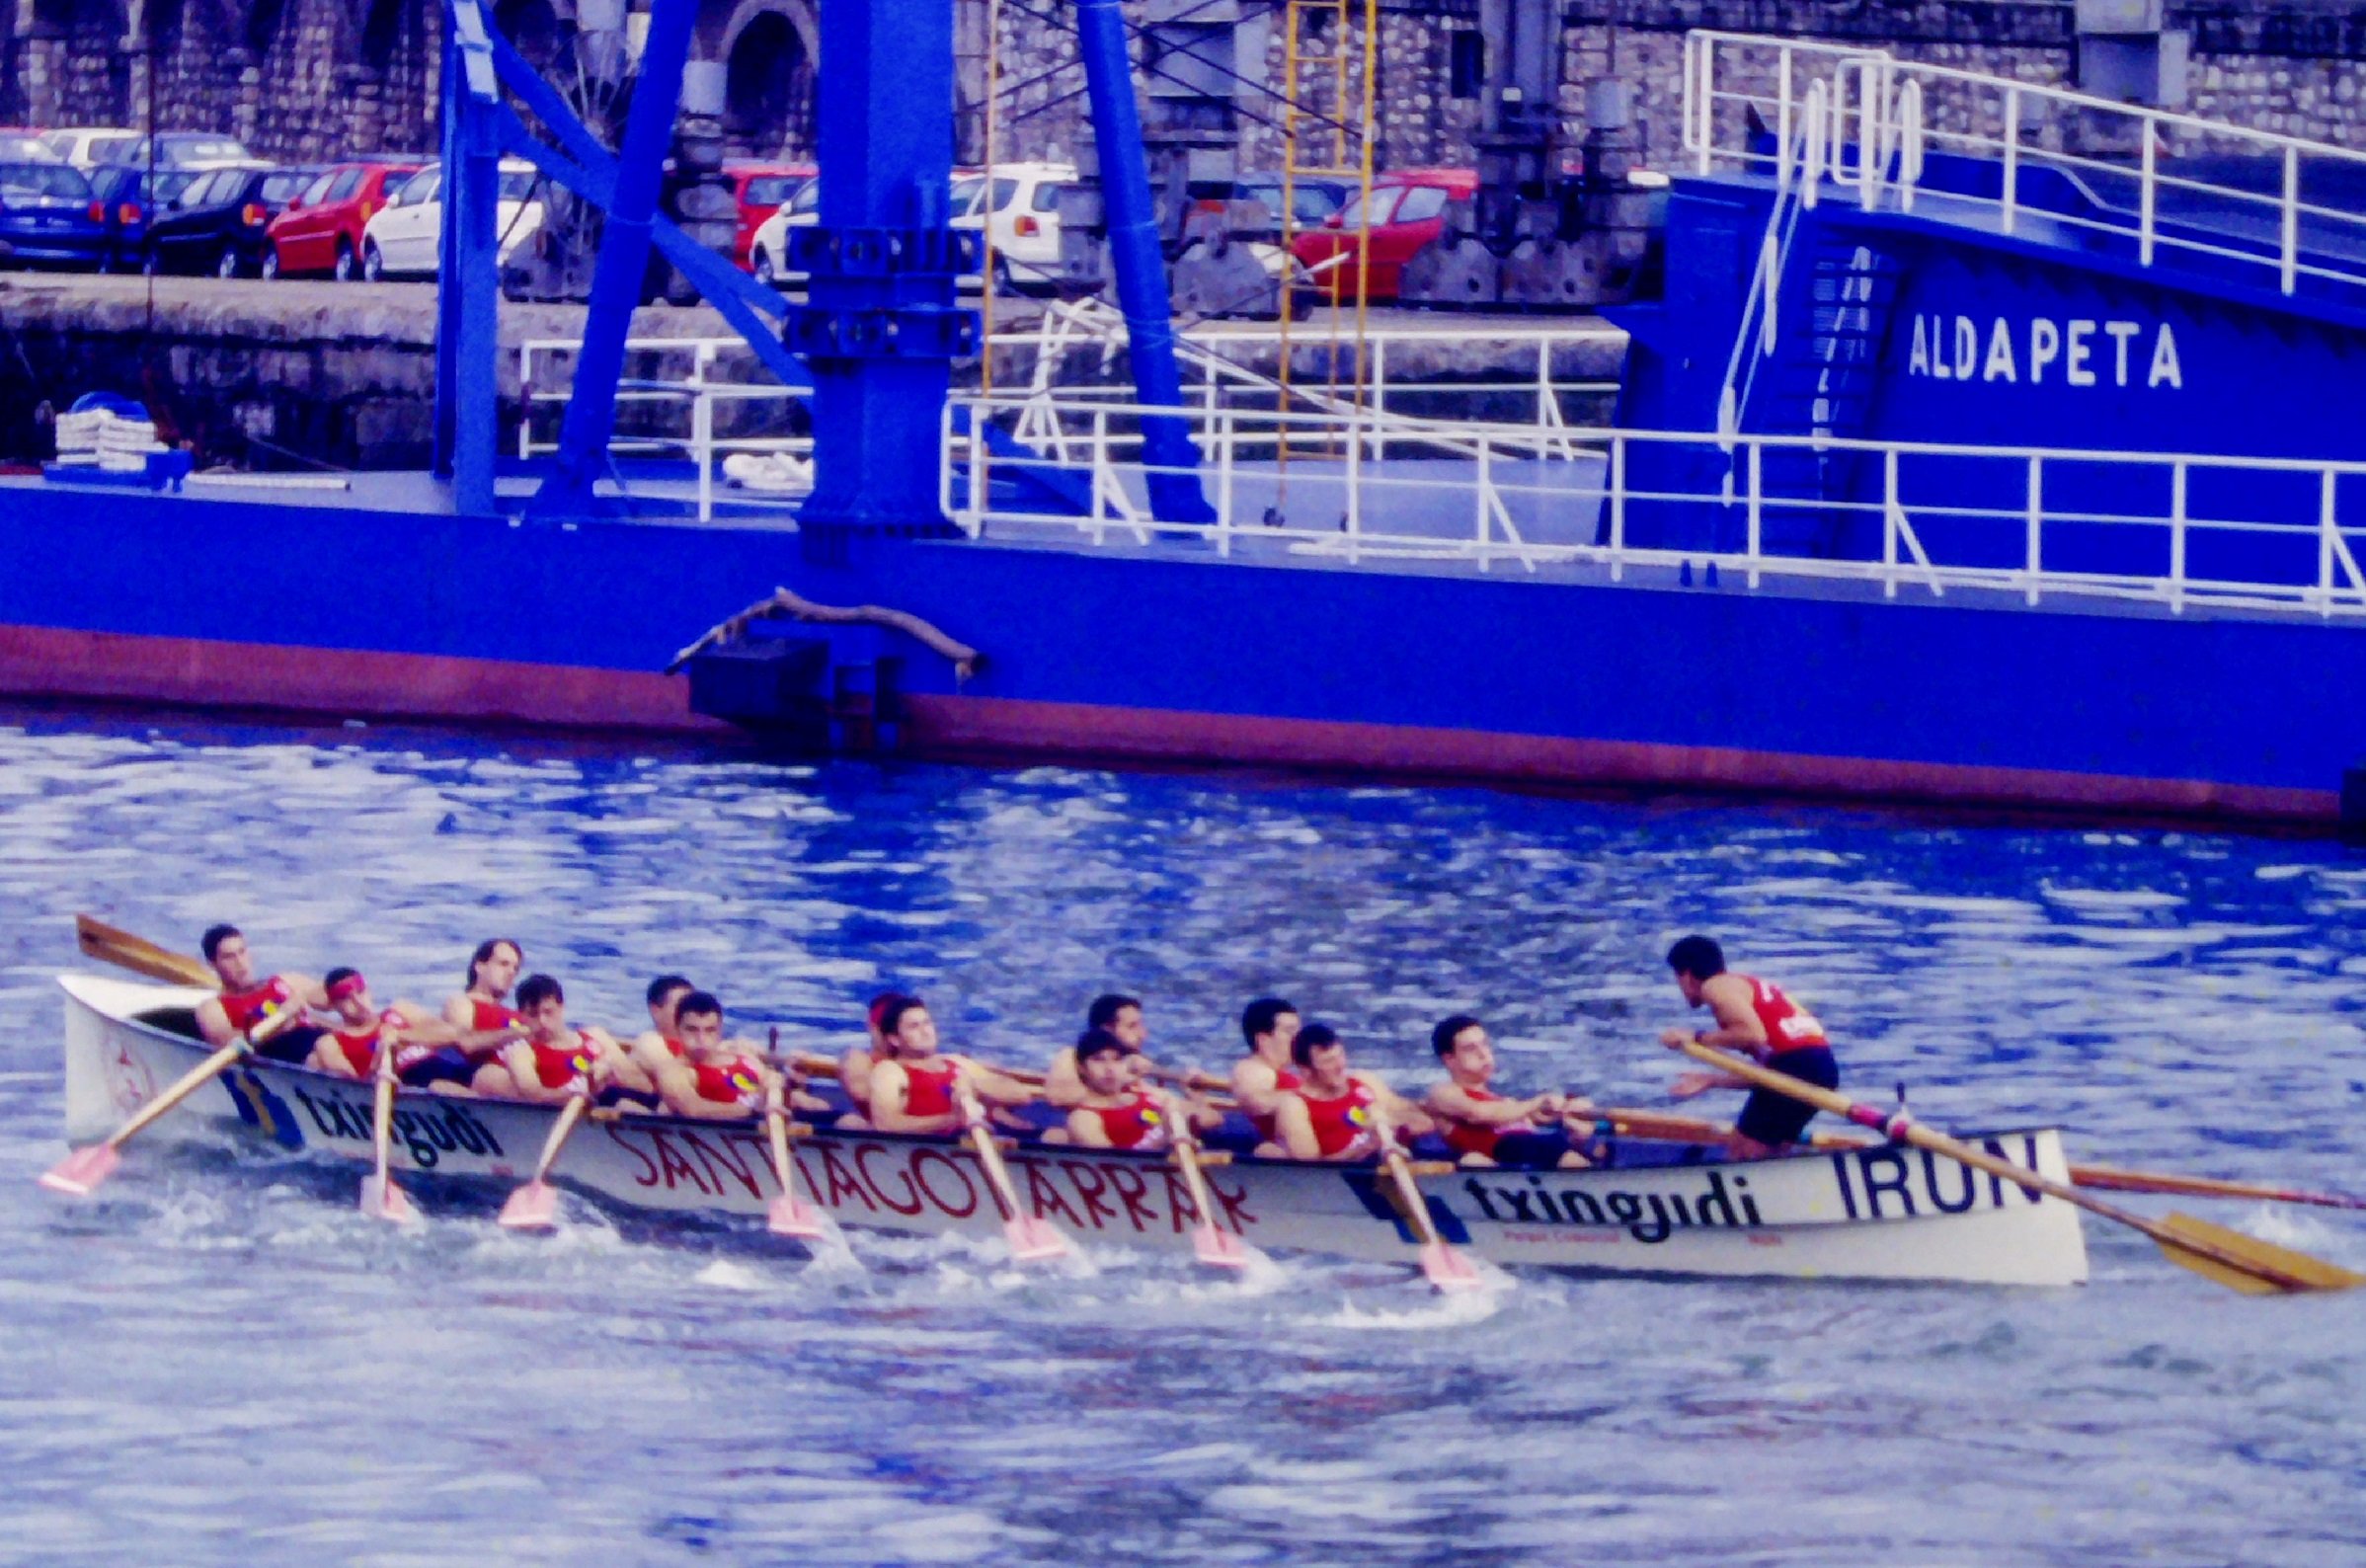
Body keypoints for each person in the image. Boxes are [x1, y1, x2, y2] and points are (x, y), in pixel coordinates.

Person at [1657, 934, 1839, 1159]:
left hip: (1798, 1066)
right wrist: (1713, 1080)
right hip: (1822, 1068)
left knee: (1742, 1150)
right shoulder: (1743, 987)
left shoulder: (1715, 986)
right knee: (1772, 1150)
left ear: (1685, 976)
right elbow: (1766, 1073)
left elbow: (1752, 1036)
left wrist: (1694, 1036)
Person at [1423, 1014, 1594, 1169]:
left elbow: (1535, 1118)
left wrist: (1568, 1114)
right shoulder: (1442, 1093)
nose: (1483, 1054)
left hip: (1528, 1151)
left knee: (1583, 1141)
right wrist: (1538, 1102)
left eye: (1485, 1044)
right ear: (1449, 1059)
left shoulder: (1506, 1103)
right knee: (1546, 1145)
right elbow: (1477, 1113)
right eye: (1470, 1048)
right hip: (1500, 1151)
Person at [866, 995, 1040, 1136]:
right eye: (914, 1027)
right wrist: (953, 1119)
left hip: (986, 1137)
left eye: (927, 1023)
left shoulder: (955, 1062)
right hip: (941, 1143)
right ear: (894, 1039)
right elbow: (886, 1125)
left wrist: (974, 1085)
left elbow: (1021, 1095)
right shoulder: (890, 1071)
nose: (925, 1031)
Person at [1270, 1023, 1435, 1162]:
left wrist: (1403, 1122)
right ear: (1305, 1071)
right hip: (1341, 1178)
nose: (1340, 1065)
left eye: (1340, 1055)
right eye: (1328, 1061)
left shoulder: (1363, 1080)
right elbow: (1311, 1168)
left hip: (1391, 1159)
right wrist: (1367, 1147)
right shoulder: (1294, 1106)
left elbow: (1409, 1113)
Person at [471, 974, 630, 1105]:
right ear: (521, 1015)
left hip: (610, 1098)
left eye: (548, 1012)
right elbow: (535, 1096)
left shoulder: (592, 1037)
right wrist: (572, 1091)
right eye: (533, 1014)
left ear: (561, 1007)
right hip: (571, 1109)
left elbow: (633, 1079)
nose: (542, 1021)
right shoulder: (521, 1051)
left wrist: (608, 1067)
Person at [1060, 1028, 1222, 1150]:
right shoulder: (1083, 1118)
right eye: (1098, 1060)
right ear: (1082, 1068)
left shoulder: (1146, 1094)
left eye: (1116, 1060)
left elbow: (1212, 1119)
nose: (1110, 1068)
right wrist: (1164, 1137)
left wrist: (1197, 1099)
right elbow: (1113, 1165)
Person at [304, 969, 467, 1081]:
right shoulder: (330, 1043)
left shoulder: (401, 1009)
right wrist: (380, 1057)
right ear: (334, 1005)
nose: (358, 1002)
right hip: (415, 1084)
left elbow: (454, 1035)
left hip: (451, 1070)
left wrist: (400, 1036)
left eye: (360, 992)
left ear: (368, 991)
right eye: (347, 998)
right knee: (440, 1086)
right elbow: (353, 1090)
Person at [194, 923, 326, 1061]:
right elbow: (226, 1042)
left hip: (321, 1043)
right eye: (229, 957)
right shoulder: (212, 1007)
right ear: (213, 964)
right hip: (285, 1053)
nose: (240, 962)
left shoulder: (286, 981)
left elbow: (329, 996)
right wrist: (281, 1021)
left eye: (242, 952)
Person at [653, 990, 783, 1121]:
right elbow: (694, 1110)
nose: (701, 1039)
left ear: (719, 1030)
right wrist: (753, 1108)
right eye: (692, 1030)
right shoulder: (674, 1071)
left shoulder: (743, 1057)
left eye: (710, 1030)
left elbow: (772, 1081)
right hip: (733, 1124)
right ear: (677, 1030)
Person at [1041, 993, 1153, 1109]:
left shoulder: (1132, 1063)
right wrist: (1123, 1076)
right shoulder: (1071, 1056)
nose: (1142, 1034)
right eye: (1131, 1026)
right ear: (1107, 1029)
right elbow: (1059, 1097)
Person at [1222, 996, 1301, 1151]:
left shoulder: (1276, 1072)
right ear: (1263, 1039)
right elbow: (1257, 1102)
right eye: (1290, 1032)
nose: (1299, 1039)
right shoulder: (1254, 1069)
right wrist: (1315, 1095)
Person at [835, 991, 909, 1127]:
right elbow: (861, 1093)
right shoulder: (858, 1060)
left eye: (894, 1028)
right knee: (849, 1123)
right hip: (878, 1125)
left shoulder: (929, 1062)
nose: (889, 1034)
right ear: (872, 1028)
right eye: (885, 1028)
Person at [442, 938, 524, 1032]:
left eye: (515, 968)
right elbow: (461, 1039)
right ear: (480, 967)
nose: (511, 972)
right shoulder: (461, 1004)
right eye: (503, 964)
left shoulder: (514, 1017)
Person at [628, 974, 697, 1083]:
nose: (688, 1013)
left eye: (692, 1006)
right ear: (655, 1010)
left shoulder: (704, 1049)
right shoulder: (648, 1046)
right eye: (680, 1006)